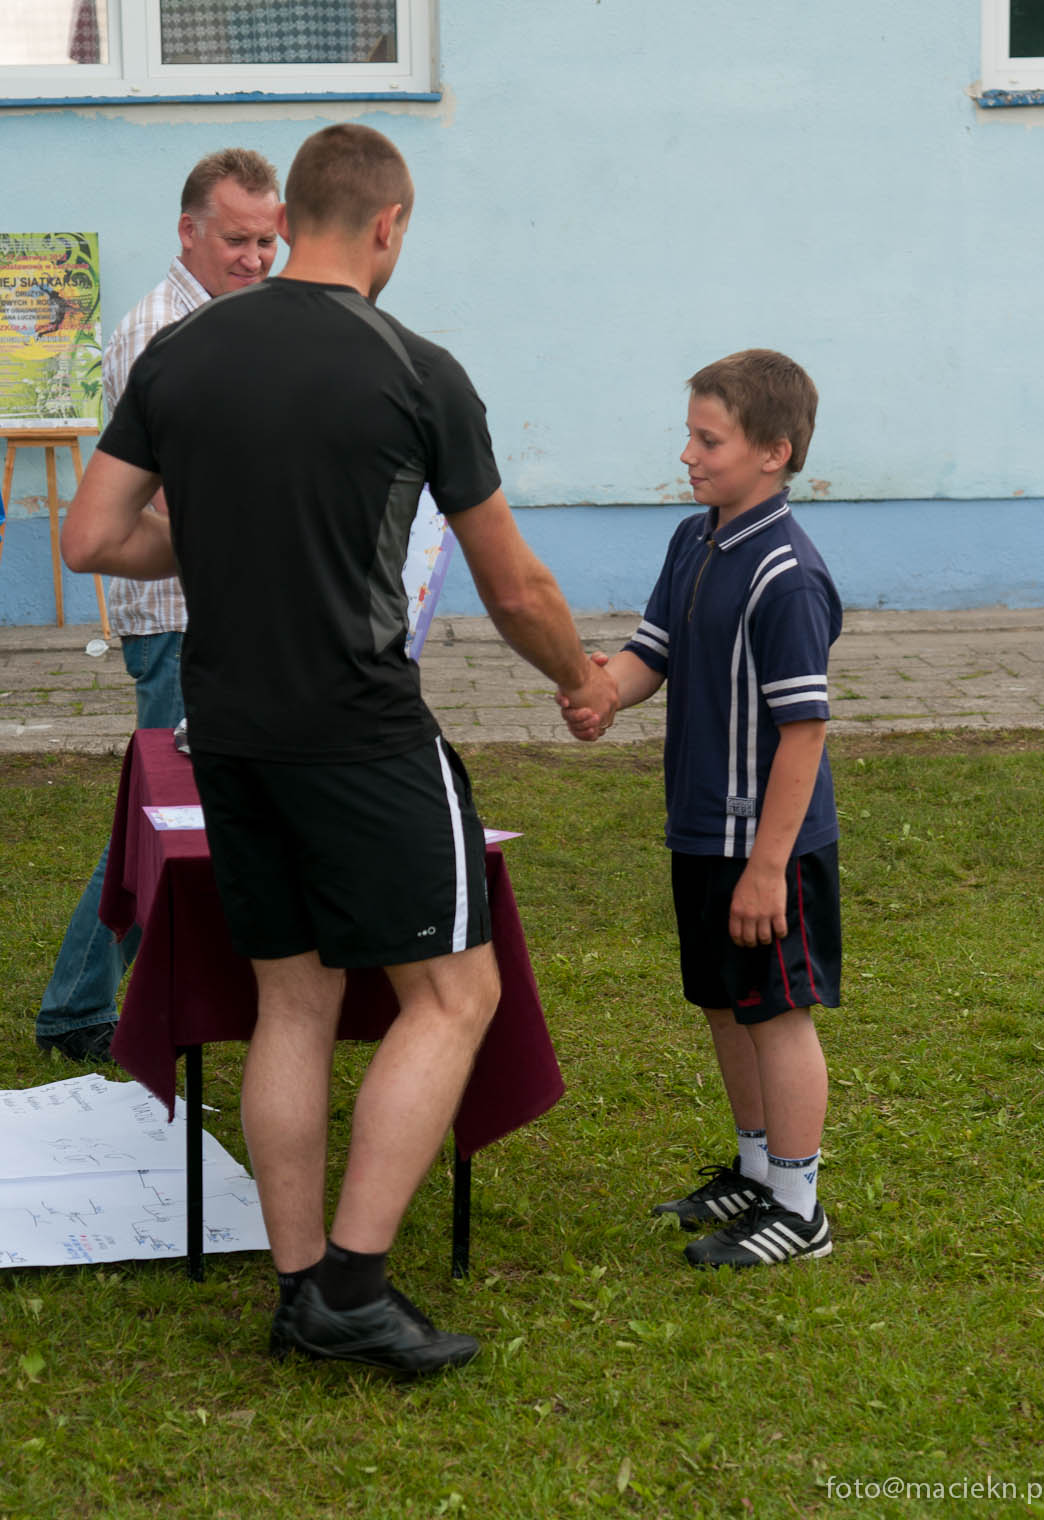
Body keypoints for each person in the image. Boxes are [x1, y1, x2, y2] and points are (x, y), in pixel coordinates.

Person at [60, 123, 617, 1375]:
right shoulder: (416, 367)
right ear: (384, 224)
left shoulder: (183, 352)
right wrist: (581, 681)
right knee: (455, 993)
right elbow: (514, 584)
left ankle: (299, 1282)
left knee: (293, 998)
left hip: (228, 731)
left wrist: (217, 533)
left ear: (291, 216)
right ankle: (352, 1289)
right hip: (360, 730)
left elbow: (90, 537)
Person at [561, 350, 842, 1269]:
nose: (687, 454)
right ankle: (757, 1173)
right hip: (700, 828)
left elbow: (803, 734)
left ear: (773, 451)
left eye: (707, 439)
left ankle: (798, 1209)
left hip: (765, 846)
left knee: (776, 1013)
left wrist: (767, 867)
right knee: (725, 1004)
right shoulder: (695, 539)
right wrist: (603, 692)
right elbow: (652, 652)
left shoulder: (785, 575)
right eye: (689, 434)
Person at [35, 148, 280, 1063]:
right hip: (180, 611)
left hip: (211, 607)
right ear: (188, 231)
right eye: (236, 240)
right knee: (165, 820)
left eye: (267, 241)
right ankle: (82, 1010)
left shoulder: (226, 317)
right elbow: (176, 490)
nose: (255, 258)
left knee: (179, 815)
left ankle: (137, 999)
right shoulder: (160, 333)